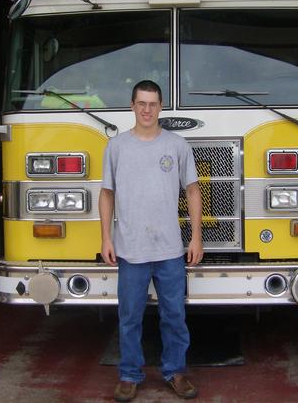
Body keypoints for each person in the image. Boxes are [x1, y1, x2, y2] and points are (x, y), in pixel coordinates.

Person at [100, 80, 203, 401]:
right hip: (130, 249)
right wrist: (106, 238)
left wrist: (196, 237)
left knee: (174, 314)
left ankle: (175, 372)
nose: (147, 109)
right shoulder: (117, 147)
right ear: (132, 106)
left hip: (170, 249)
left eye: (153, 104)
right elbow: (106, 193)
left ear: (161, 107)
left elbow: (193, 190)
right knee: (129, 316)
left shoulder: (177, 145)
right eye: (141, 103)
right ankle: (129, 375)